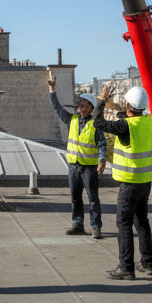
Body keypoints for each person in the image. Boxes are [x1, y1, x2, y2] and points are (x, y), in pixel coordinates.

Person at [91, 84, 152, 279]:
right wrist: (115, 107)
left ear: (128, 106)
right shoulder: (146, 121)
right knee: (142, 221)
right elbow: (124, 117)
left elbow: (97, 122)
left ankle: (126, 267)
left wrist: (101, 101)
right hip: (145, 180)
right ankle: (147, 263)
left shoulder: (126, 126)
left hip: (129, 182)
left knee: (124, 223)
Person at [47, 71, 105, 238]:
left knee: (93, 198)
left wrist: (102, 160)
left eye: (84, 105)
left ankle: (96, 226)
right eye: (79, 104)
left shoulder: (95, 124)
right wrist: (52, 90)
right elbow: (57, 108)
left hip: (89, 167)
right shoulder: (71, 119)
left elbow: (102, 144)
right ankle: (78, 224)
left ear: (91, 108)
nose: (80, 107)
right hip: (74, 165)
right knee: (75, 197)